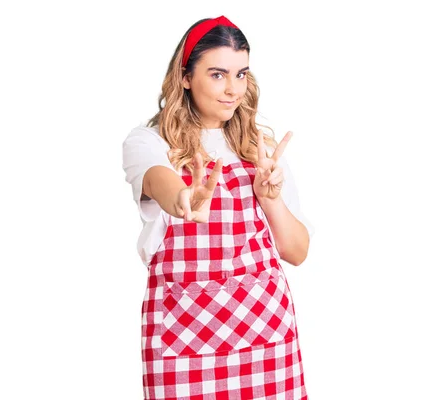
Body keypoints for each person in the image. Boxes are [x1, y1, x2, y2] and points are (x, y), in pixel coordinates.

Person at [122, 15, 315, 400]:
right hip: (184, 338)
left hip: (264, 332)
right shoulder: (150, 142)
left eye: (241, 74)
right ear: (185, 77)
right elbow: (160, 179)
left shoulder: (259, 150)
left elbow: (297, 252)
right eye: (217, 75)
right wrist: (182, 198)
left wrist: (270, 198)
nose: (233, 90)